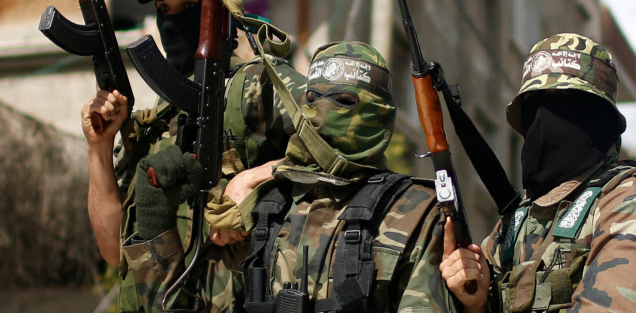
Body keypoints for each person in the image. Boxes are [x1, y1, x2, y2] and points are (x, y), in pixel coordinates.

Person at [121, 41, 462, 313]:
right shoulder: (269, 205)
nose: (325, 111)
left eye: (345, 100)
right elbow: (186, 306)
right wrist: (155, 221)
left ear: (379, 114)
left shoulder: (417, 213)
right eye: (313, 99)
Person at [80, 0, 306, 311]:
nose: (171, 20)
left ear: (222, 16)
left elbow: (338, 142)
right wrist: (99, 146)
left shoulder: (255, 85)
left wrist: (251, 181)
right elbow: (112, 250)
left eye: (188, 6)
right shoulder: (157, 120)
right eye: (164, 8)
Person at [439, 33, 636, 312]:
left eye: (565, 103)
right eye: (536, 105)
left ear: (600, 119)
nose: (546, 120)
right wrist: (473, 304)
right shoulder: (516, 227)